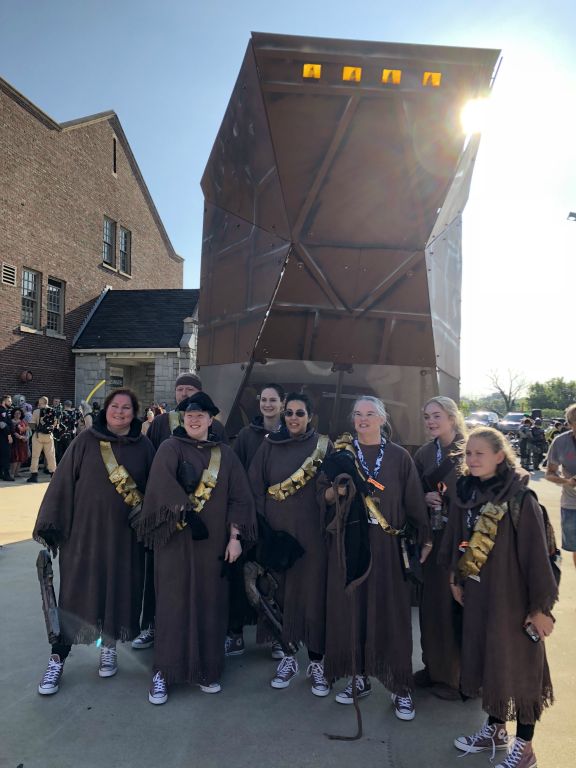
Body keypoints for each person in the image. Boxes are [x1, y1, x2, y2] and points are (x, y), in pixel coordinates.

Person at [443, 427, 557, 768]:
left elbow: (537, 558)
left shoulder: (520, 498)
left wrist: (540, 608)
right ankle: (495, 730)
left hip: (514, 601)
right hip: (479, 597)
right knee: (490, 663)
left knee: (519, 670)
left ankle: (525, 749)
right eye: (468, 453)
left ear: (499, 456)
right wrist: (456, 577)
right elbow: (459, 541)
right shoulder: (465, 493)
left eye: (480, 453)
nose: (472, 459)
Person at [136, 392, 256, 705]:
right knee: (172, 606)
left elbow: (239, 497)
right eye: (189, 415)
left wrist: (235, 538)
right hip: (174, 542)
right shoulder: (170, 447)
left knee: (210, 605)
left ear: (211, 419)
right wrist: (186, 513)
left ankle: (206, 669)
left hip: (213, 545)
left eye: (200, 415)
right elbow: (160, 485)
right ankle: (164, 672)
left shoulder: (225, 455)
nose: (194, 419)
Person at [33, 388, 155, 696]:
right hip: (83, 535)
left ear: (135, 413)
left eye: (126, 408)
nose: (120, 412)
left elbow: (155, 489)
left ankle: (109, 646)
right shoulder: (86, 441)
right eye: (115, 406)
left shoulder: (144, 446)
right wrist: (52, 523)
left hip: (125, 538)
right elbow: (62, 482)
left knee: (118, 590)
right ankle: (58, 657)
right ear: (106, 409)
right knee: (75, 595)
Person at [319, 396, 432, 720]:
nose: (363, 419)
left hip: (388, 548)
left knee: (392, 615)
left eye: (370, 414)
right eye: (358, 414)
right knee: (353, 611)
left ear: (383, 419)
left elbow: (413, 500)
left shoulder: (399, 457)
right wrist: (336, 492)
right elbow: (322, 495)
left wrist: (424, 537)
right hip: (351, 545)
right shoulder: (341, 454)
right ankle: (358, 678)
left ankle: (400, 686)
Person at [131, 372, 228, 651]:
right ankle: (152, 625)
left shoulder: (215, 426)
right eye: (180, 389)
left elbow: (222, 464)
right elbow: (150, 463)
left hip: (205, 511)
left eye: (189, 389)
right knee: (159, 574)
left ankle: (204, 632)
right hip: (165, 510)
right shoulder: (161, 423)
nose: (184, 394)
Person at [249, 392, 332, 695]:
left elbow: (330, 489)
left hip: (313, 536)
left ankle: (317, 662)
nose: (294, 418)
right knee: (280, 595)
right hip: (277, 535)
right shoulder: (269, 445)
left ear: (310, 416)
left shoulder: (324, 446)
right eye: (290, 413)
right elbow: (255, 486)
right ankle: (287, 657)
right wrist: (264, 529)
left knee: (313, 596)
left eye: (300, 413)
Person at [226, 383, 285, 657]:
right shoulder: (246, 436)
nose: (268, 404)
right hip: (250, 517)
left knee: (274, 580)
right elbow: (235, 472)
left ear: (282, 403)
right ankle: (236, 635)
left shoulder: (289, 434)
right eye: (264, 399)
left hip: (279, 517)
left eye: (273, 400)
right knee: (240, 575)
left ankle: (276, 636)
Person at [413, 396, 466, 700]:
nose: (431, 421)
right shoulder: (423, 453)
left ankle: (459, 678)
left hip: (462, 539)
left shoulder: (470, 449)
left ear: (452, 417)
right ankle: (433, 668)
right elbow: (413, 490)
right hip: (433, 538)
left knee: (457, 606)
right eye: (426, 416)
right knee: (432, 606)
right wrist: (423, 498)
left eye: (437, 415)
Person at [546, 403, 576, 568]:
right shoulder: (561, 442)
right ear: (570, 424)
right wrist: (567, 481)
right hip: (571, 505)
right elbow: (550, 473)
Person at [27, 396, 57, 482]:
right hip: (49, 436)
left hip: (38, 436)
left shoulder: (36, 411)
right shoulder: (53, 411)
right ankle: (53, 474)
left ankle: (34, 475)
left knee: (35, 456)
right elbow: (56, 424)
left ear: (41, 402)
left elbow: (32, 424)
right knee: (51, 456)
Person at [10, 406, 30, 478]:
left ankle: (16, 473)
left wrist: (26, 437)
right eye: (16, 413)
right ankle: (12, 473)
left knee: (21, 457)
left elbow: (27, 431)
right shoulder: (11, 422)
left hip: (22, 443)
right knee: (15, 458)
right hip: (14, 442)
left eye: (19, 413)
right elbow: (12, 432)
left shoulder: (23, 422)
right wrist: (20, 437)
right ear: (13, 414)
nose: (17, 415)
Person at [0, 394, 15, 481]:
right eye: (9, 401)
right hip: (3, 437)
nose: (11, 402)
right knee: (6, 455)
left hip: (3, 436)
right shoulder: (2, 411)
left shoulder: (5, 410)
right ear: (4, 402)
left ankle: (1, 474)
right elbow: (3, 425)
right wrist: (9, 435)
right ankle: (6, 475)